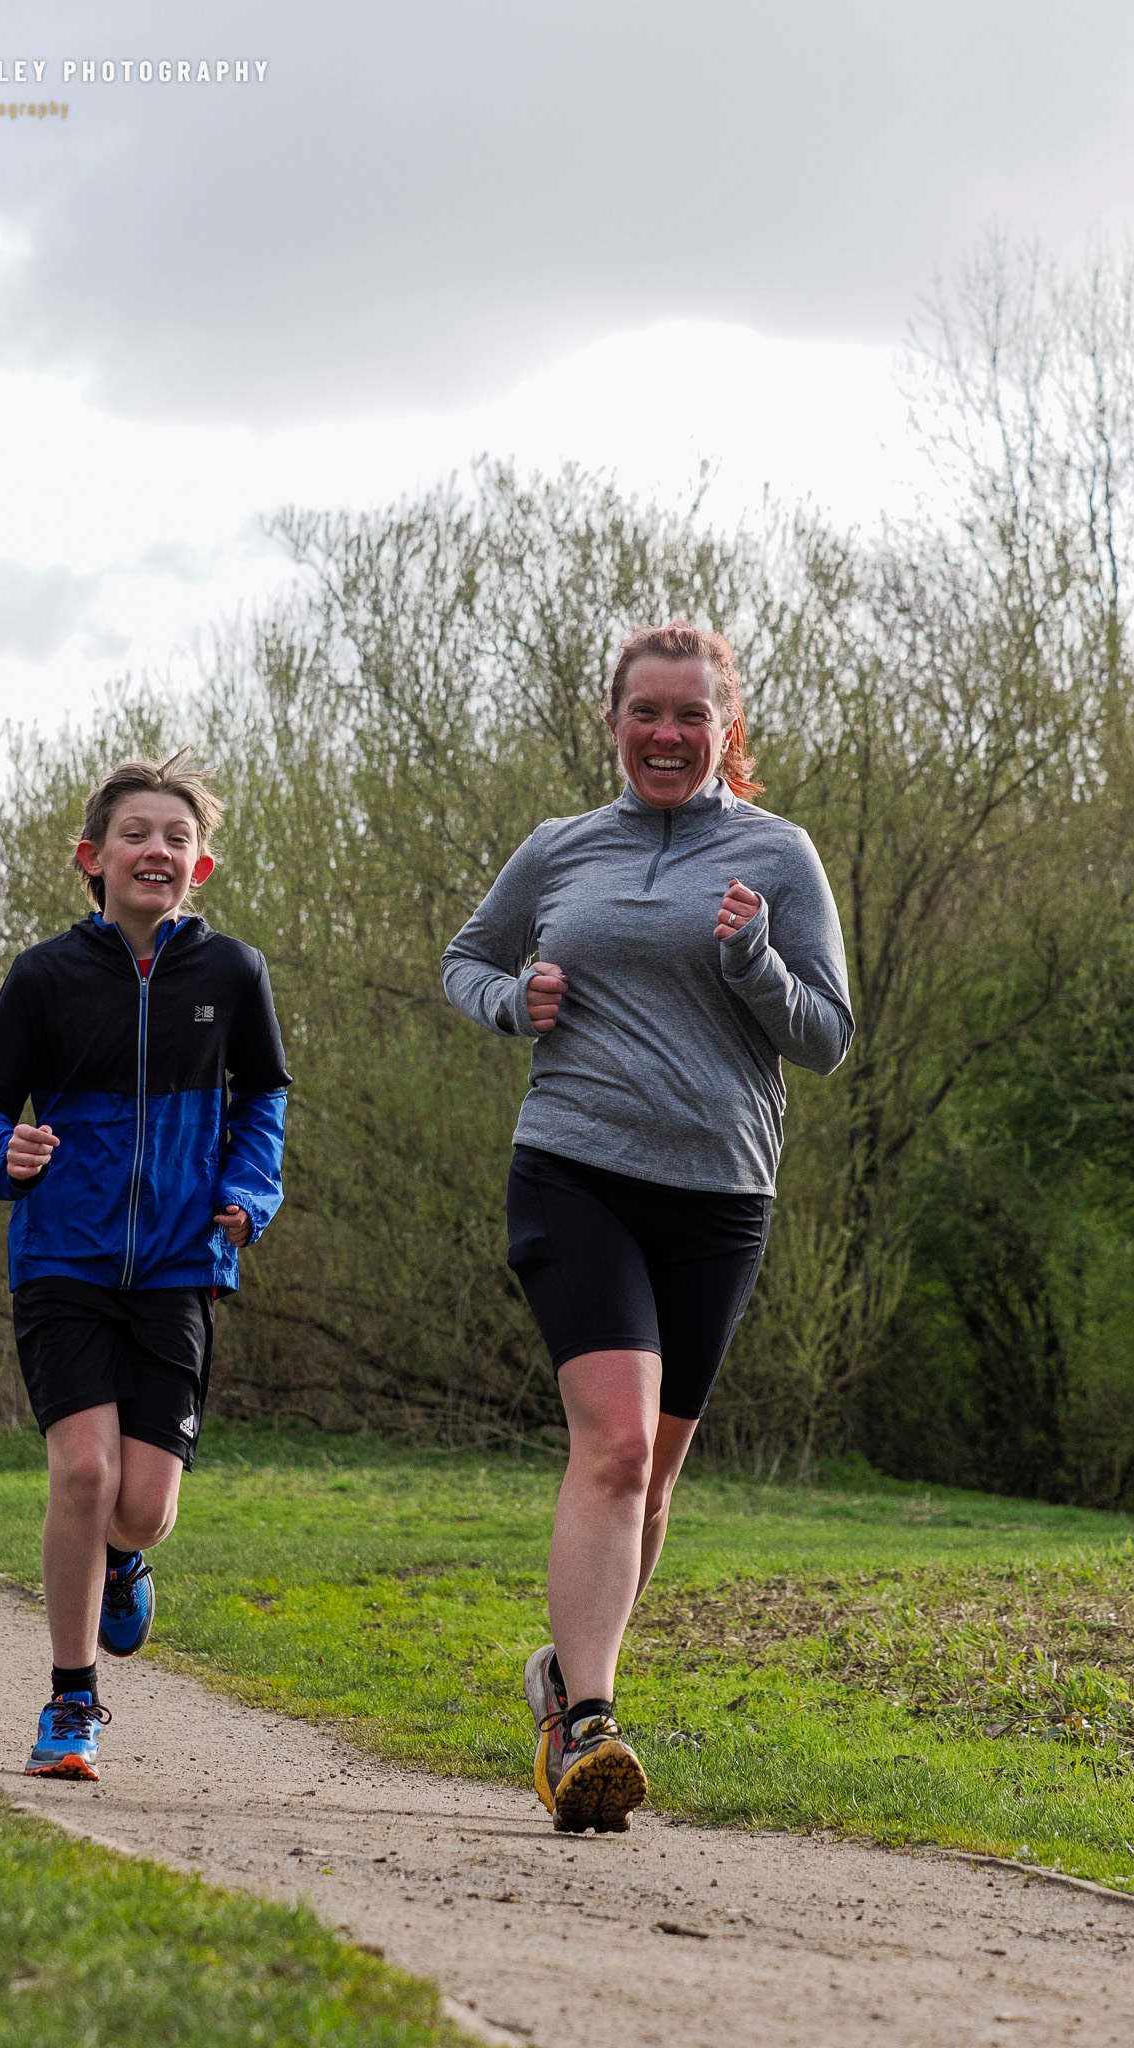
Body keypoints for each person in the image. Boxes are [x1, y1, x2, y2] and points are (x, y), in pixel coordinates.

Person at [442, 620, 854, 1835]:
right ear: (612, 719)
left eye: (690, 714)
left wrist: (754, 962)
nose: (666, 735)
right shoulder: (559, 849)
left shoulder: (779, 854)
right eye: (645, 713)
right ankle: (590, 1729)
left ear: (728, 726)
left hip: (722, 1190)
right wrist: (519, 1000)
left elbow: (827, 1036)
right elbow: (466, 959)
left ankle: (562, 1679)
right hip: (574, 1167)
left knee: (654, 1475)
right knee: (615, 1444)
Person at [0, 750, 290, 1782]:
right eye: (137, 833)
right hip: (64, 1255)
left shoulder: (232, 973)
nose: (157, 849)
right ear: (90, 857)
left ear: (203, 865)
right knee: (84, 1469)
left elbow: (265, 1099)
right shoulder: (44, 975)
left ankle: (123, 1559)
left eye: (176, 838)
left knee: (143, 1502)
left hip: (182, 1266)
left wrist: (252, 1192)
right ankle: (71, 1695)